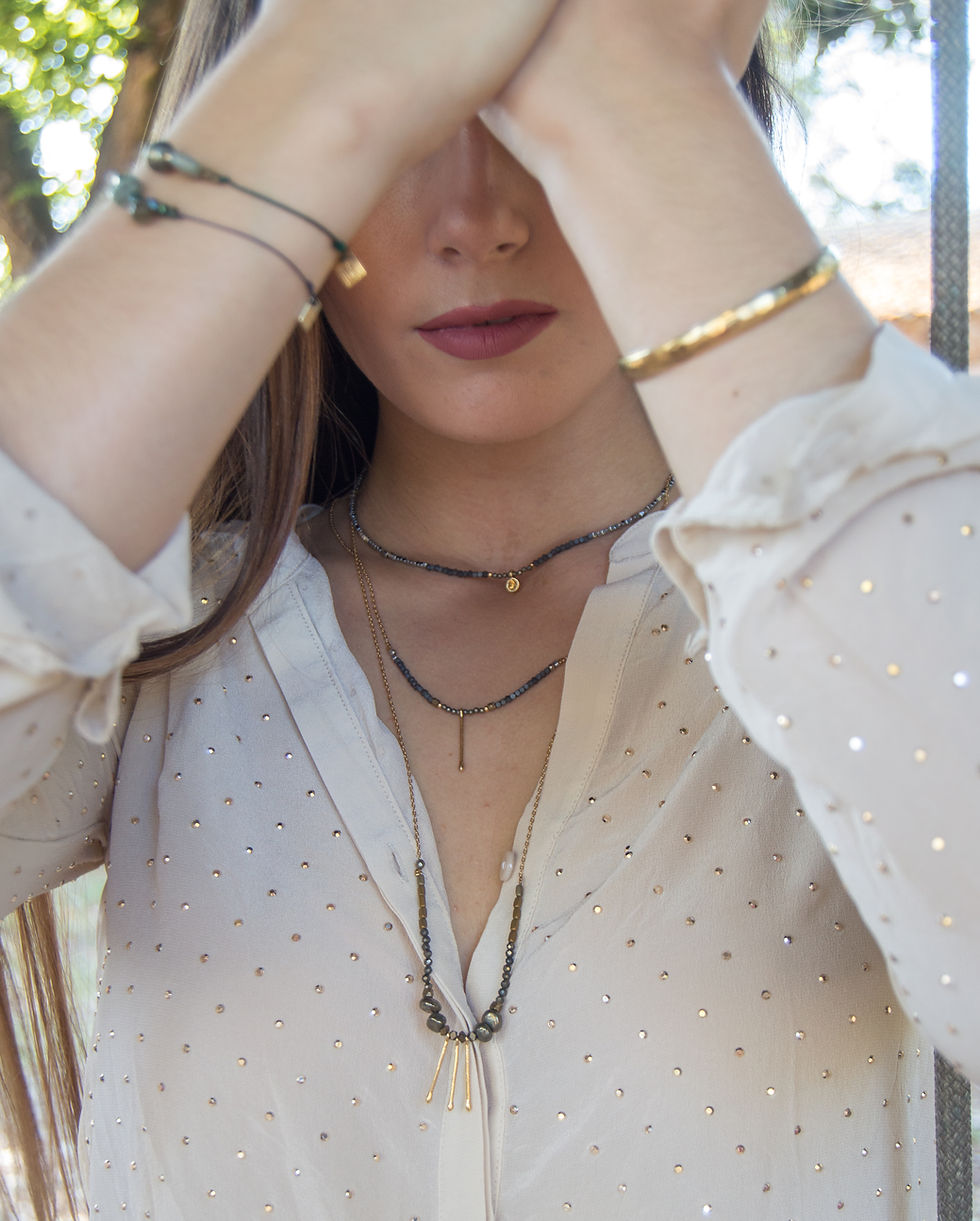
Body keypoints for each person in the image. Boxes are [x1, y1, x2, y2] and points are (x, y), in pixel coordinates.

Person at [0, 0, 977, 1217]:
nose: (475, 222)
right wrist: (309, 98)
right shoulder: (160, 639)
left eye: (530, 108)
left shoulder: (872, 621)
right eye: (397, 124)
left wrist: (658, 102)